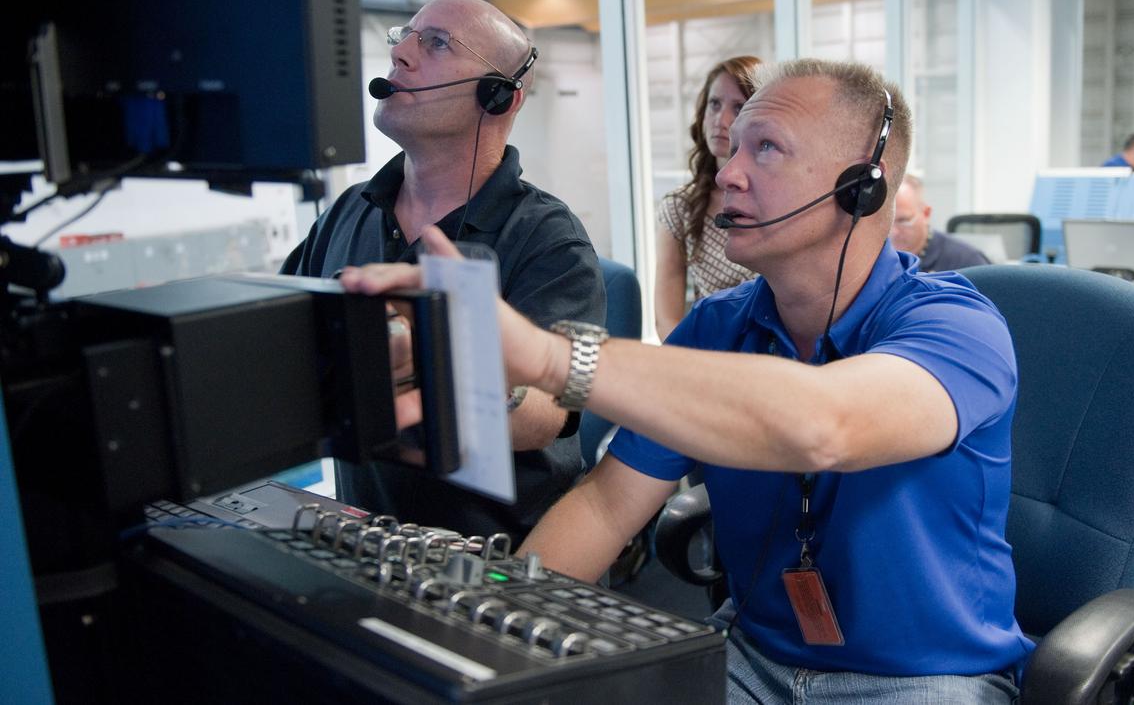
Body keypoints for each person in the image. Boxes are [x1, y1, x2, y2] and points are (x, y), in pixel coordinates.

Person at [343, 58, 1032, 703]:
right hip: (751, 655)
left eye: (765, 149)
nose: (728, 173)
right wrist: (484, 621)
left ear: (862, 185)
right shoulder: (715, 325)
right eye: (732, 149)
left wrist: (548, 357)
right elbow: (608, 505)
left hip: (928, 677)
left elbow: (826, 425)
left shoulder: (958, 326)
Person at [284, 0, 605, 544]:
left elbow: (551, 413)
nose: (401, 55)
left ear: (499, 97)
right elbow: (287, 334)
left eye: (435, 44)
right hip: (370, 540)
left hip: (497, 558)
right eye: (403, 38)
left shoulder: (550, 238)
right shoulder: (349, 210)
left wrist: (427, 374)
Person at [655, 56, 761, 339]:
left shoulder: (783, 202)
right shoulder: (680, 207)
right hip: (708, 352)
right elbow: (667, 320)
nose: (721, 120)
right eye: (714, 104)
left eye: (738, 107)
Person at [890, 173, 991, 271]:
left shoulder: (967, 262)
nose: (893, 232)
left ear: (926, 214)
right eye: (889, 222)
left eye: (903, 221)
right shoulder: (881, 259)